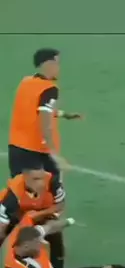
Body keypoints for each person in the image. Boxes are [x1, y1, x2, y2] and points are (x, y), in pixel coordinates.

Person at [8, 49, 81, 178]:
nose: (58, 67)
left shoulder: (26, 82)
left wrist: (64, 114)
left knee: (19, 189)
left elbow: (32, 109)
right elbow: (44, 121)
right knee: (52, 188)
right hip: (38, 152)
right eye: (56, 63)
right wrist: (53, 153)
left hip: (16, 147)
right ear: (47, 64)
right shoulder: (49, 89)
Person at [0, 166, 66, 268]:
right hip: (18, 215)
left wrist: (37, 215)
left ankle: (57, 265)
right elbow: (3, 224)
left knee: (55, 230)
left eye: (42, 178)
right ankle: (11, 264)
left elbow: (60, 205)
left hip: (43, 212)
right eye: (36, 179)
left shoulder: (53, 181)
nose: (41, 183)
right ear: (26, 178)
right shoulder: (13, 195)